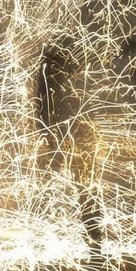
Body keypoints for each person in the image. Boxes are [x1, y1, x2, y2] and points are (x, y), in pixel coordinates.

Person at [35, 37, 100, 250]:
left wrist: (45, 132)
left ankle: (89, 230)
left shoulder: (48, 72)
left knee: (51, 183)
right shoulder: (61, 73)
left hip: (63, 134)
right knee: (81, 184)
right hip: (68, 135)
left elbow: (42, 104)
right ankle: (92, 230)